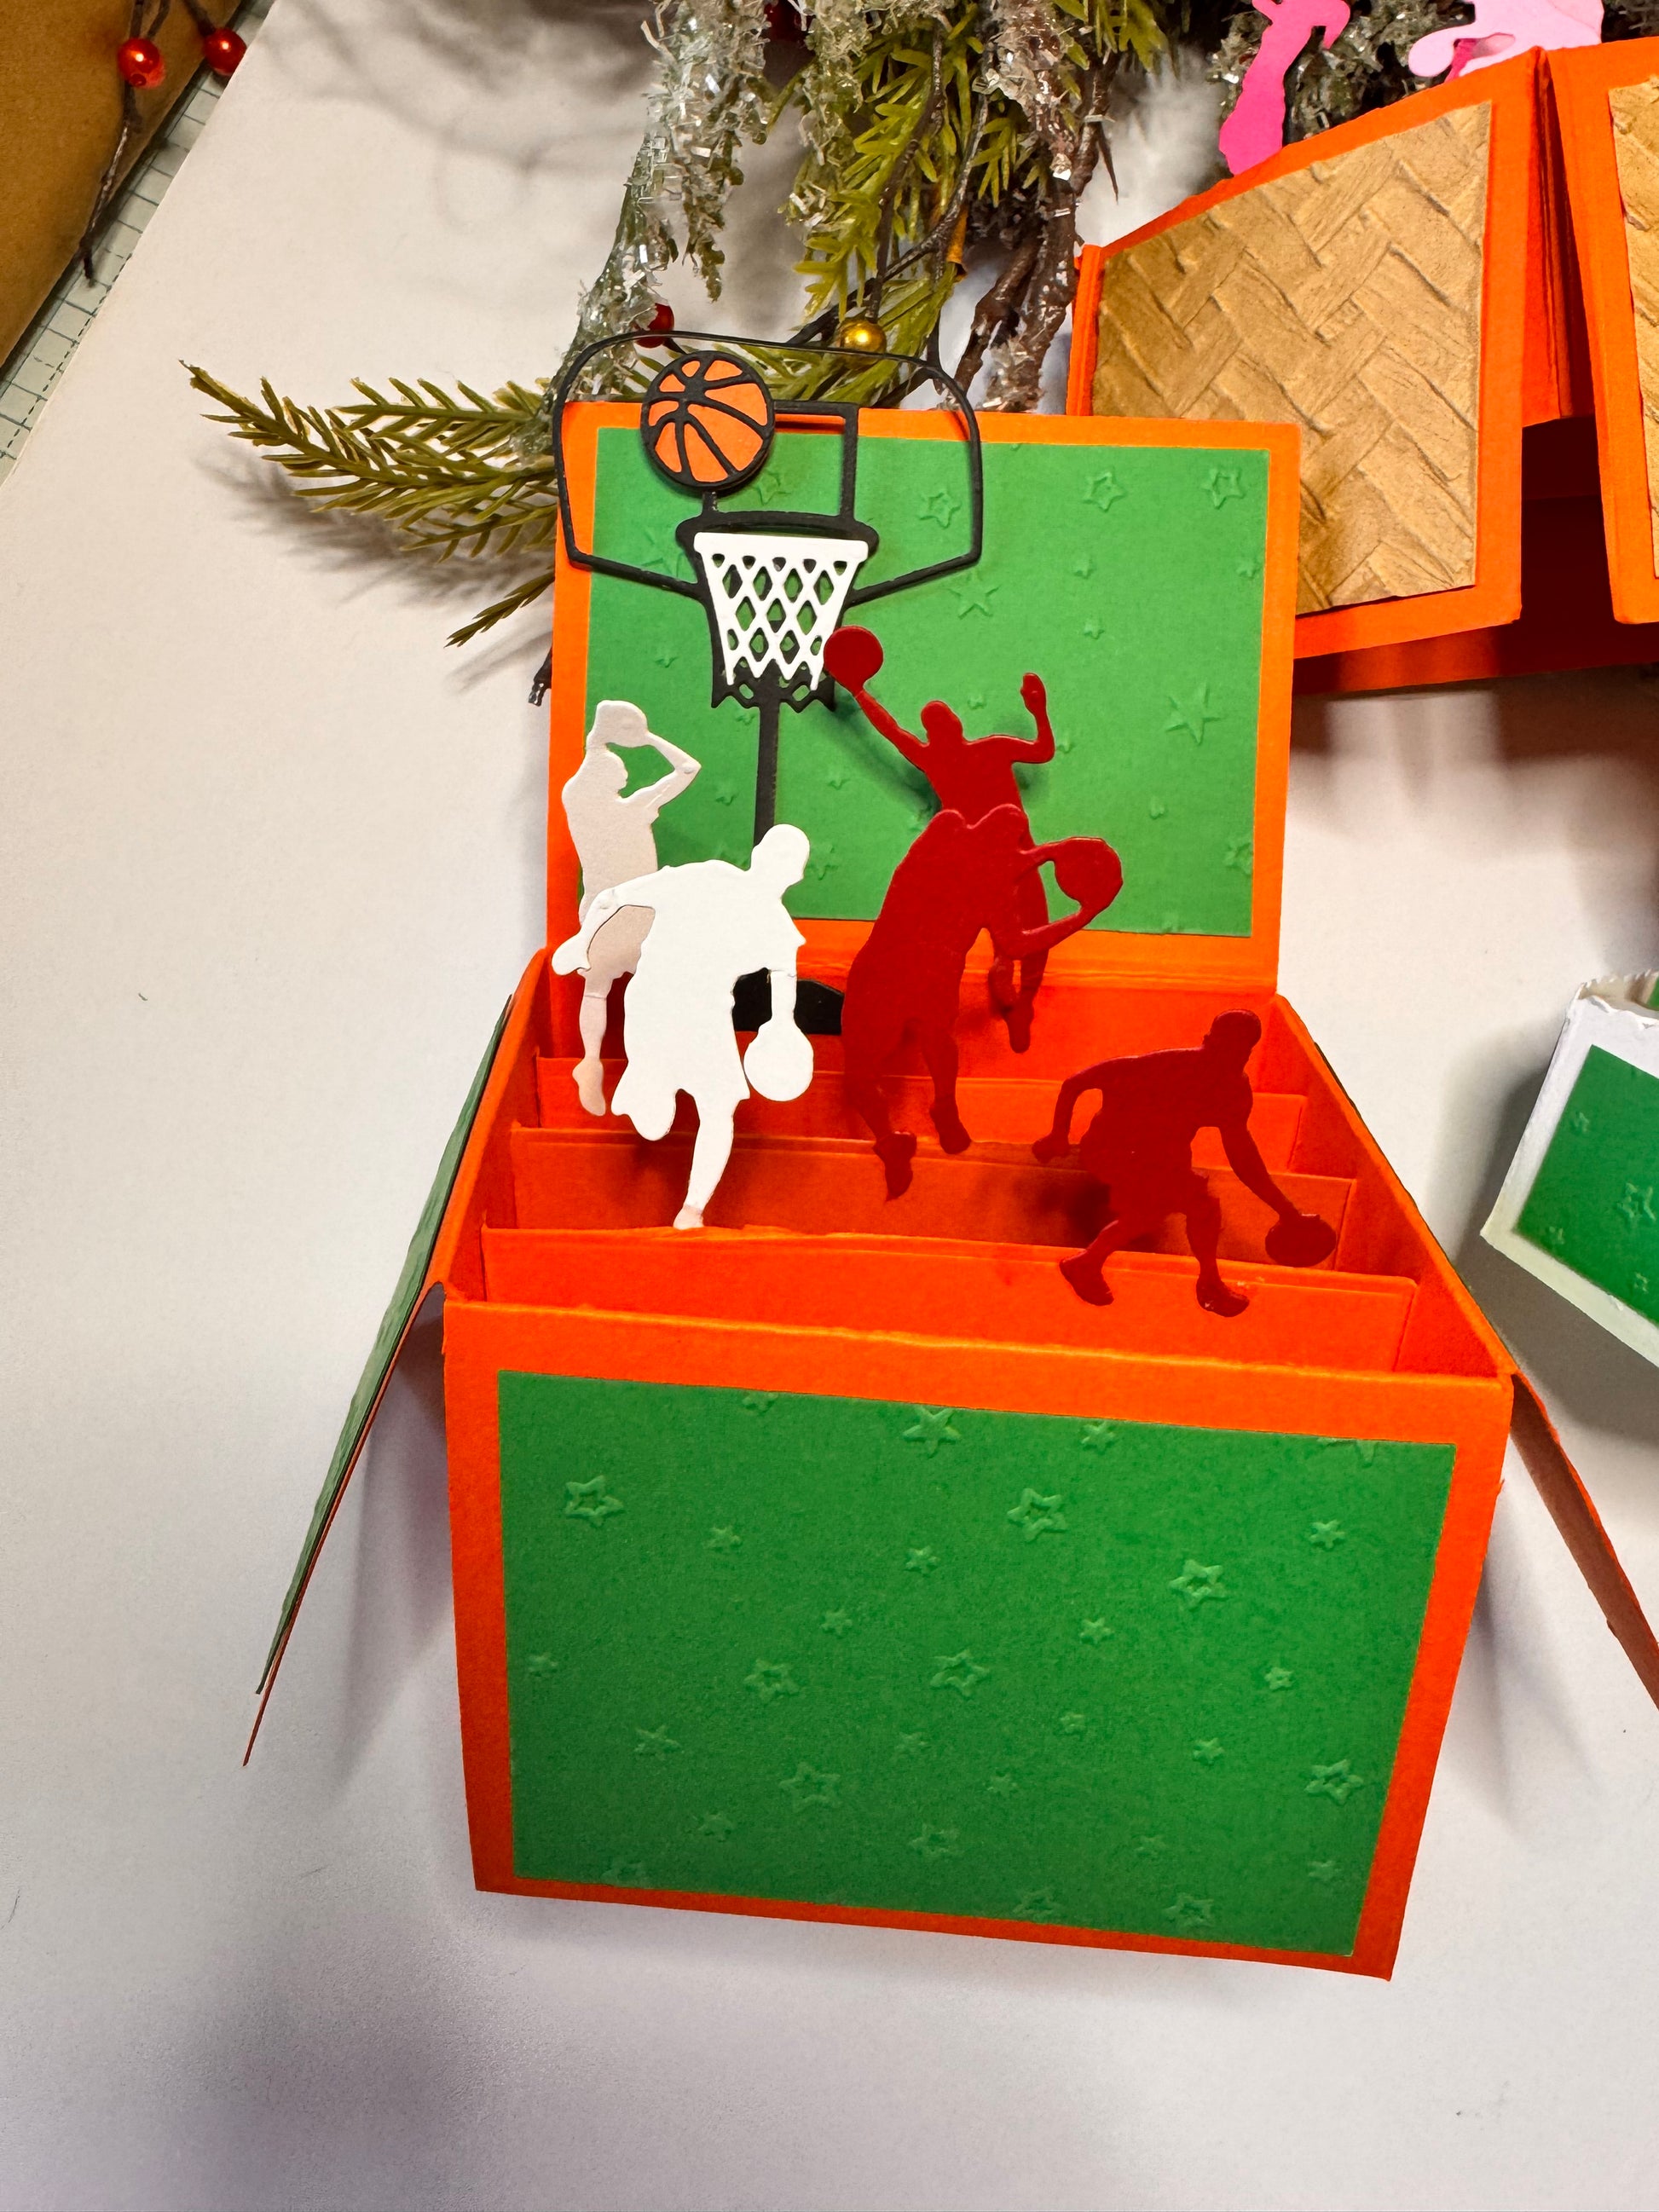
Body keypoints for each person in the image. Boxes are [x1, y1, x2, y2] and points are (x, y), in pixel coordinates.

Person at [841, 806, 1121, 1196]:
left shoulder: (953, 846)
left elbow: (1011, 933)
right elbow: (1014, 936)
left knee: (899, 1054)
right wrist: (1074, 901)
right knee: (906, 1050)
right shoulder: (968, 854)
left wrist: (1055, 861)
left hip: (905, 963)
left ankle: (923, 1118)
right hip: (910, 964)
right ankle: (919, 1122)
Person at [552, 825, 815, 1228]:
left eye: (788, 862)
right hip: (653, 1006)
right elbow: (613, 897)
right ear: (760, 854)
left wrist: (782, 1025)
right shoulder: (707, 878)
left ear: (795, 875)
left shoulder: (775, 925)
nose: (779, 868)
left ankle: (691, 1210)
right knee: (664, 1122)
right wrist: (582, 942)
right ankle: (646, 1089)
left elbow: (784, 978)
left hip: (704, 1016)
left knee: (720, 1108)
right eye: (777, 856)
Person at [825, 630, 1058, 1050]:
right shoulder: (934, 761)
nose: (943, 723)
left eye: (945, 717)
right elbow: (890, 731)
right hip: (976, 862)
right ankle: (999, 972)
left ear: (957, 724)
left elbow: (1043, 750)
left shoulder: (993, 749)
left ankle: (1022, 1001)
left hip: (1021, 853)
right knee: (982, 931)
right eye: (935, 722)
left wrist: (1039, 710)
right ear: (933, 733)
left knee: (1036, 928)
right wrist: (859, 694)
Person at [1032, 1010, 1334, 1315]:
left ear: (1248, 1053)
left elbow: (1243, 1157)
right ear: (1208, 1042)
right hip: (1115, 1150)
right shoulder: (1160, 1065)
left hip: (1165, 1160)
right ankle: (1091, 1264)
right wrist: (1058, 1135)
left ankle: (1197, 1280)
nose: (1229, 1059)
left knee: (1191, 1209)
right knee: (1170, 1207)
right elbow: (1075, 1083)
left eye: (1239, 1052)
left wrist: (1286, 1210)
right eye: (1224, 1048)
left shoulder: (1230, 1090)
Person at [559, 700, 701, 1115]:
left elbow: (585, 770)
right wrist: (649, 739)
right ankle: (652, 1063)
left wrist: (598, 742)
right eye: (620, 768)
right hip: (637, 913)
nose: (626, 770)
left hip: (599, 910)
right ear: (609, 779)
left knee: (597, 988)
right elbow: (689, 769)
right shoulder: (635, 809)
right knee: (656, 988)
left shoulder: (577, 806)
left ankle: (590, 1060)